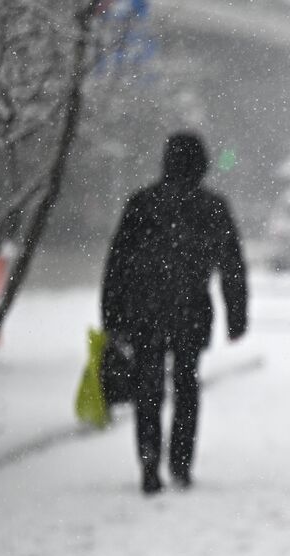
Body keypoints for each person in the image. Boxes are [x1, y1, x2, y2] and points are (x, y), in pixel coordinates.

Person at [101, 132, 247, 495]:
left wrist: (113, 315)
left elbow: (117, 264)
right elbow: (231, 266)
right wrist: (236, 314)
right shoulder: (212, 207)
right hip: (191, 311)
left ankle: (149, 459)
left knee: (147, 387)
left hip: (145, 310)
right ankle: (180, 463)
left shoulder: (142, 204)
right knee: (186, 385)